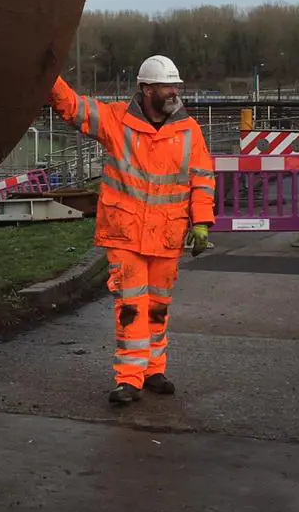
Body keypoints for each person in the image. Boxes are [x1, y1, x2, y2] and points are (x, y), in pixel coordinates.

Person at [50, 54, 215, 406]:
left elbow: (202, 181)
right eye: (166, 86)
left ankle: (154, 369)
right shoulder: (116, 121)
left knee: (157, 306)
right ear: (145, 89)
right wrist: (48, 78)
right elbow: (73, 108)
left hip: (166, 236)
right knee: (131, 307)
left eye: (176, 86)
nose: (174, 92)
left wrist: (201, 223)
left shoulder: (189, 132)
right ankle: (130, 378)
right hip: (126, 234)